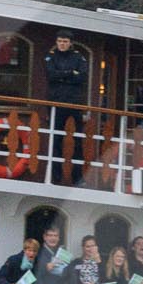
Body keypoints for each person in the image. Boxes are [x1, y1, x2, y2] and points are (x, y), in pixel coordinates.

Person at [42, 32, 89, 186]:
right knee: (56, 139)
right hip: (56, 102)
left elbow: (82, 77)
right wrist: (70, 73)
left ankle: (77, 177)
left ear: (70, 43)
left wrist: (62, 76)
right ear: (56, 42)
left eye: (65, 41)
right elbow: (51, 75)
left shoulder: (78, 57)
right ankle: (56, 177)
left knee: (77, 141)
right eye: (60, 41)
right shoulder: (51, 56)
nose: (62, 44)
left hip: (74, 102)